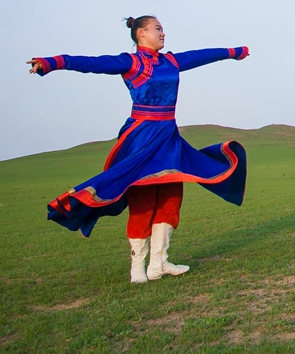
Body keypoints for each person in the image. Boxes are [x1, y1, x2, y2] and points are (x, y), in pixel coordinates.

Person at [29, 16, 249, 283]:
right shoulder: (130, 62)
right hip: (142, 136)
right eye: (158, 29)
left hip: (168, 137)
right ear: (141, 33)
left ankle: (159, 263)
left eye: (163, 29)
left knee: (170, 196)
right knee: (143, 200)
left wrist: (233, 53)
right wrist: (53, 63)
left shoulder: (171, 62)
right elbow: (90, 63)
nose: (163, 33)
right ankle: (137, 268)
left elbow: (201, 55)